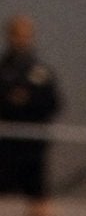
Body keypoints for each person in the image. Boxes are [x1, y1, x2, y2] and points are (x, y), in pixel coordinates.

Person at [0, 15, 62, 198]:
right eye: (17, 35)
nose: (22, 40)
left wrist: (28, 101)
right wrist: (11, 102)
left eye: (26, 35)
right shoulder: (2, 70)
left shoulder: (41, 71)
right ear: (9, 36)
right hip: (5, 145)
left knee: (36, 196)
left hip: (34, 147)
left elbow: (53, 103)